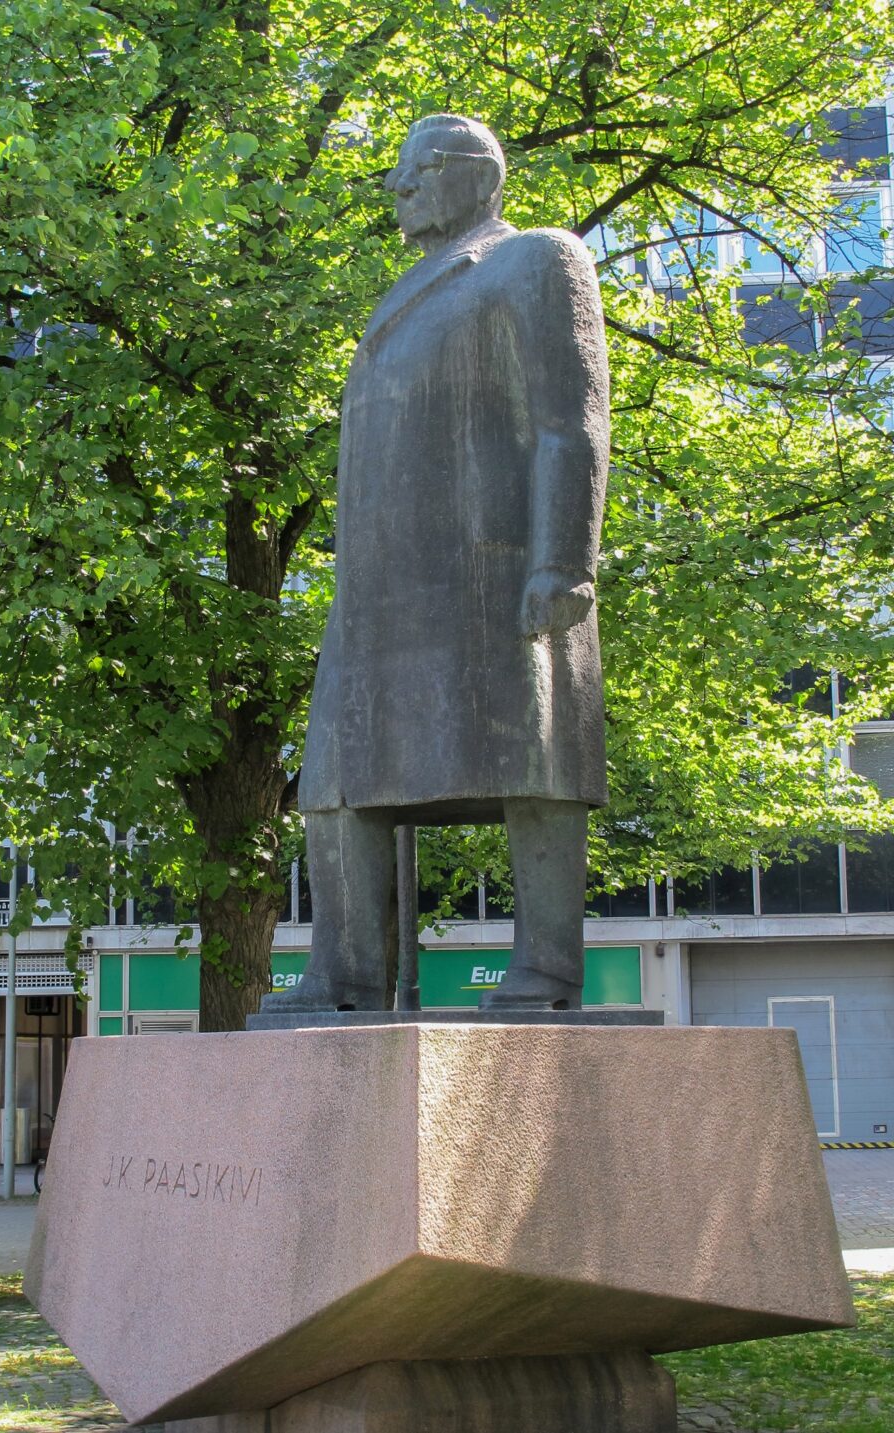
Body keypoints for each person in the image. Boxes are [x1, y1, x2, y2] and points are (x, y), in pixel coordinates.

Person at [263, 113, 610, 1014]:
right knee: (337, 774)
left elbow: (569, 422)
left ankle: (547, 969)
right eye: (399, 171)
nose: (400, 187)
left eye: (420, 168)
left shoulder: (533, 258)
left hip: (492, 566)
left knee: (531, 760)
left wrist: (563, 559)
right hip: (381, 589)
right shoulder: (406, 289)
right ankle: (343, 973)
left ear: (477, 175)